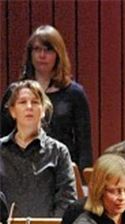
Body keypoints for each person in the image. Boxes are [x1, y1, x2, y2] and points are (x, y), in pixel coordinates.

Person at [1, 25, 93, 168]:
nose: (42, 55)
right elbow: (3, 135)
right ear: (30, 54)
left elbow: (84, 145)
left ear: (58, 55)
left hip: (60, 168)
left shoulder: (74, 93)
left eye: (48, 50)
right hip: (20, 168)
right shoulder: (15, 92)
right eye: (37, 49)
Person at [0, 79, 76, 217]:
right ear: (12, 111)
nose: (29, 107)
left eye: (35, 102)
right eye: (22, 102)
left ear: (43, 110)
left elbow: (66, 200)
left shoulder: (59, 152)